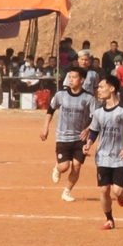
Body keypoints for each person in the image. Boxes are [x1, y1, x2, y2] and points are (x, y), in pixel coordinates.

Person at [83, 78, 123, 230]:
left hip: (119, 158)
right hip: (102, 157)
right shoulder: (98, 112)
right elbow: (94, 131)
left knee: (118, 191)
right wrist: (89, 144)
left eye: (102, 87)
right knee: (104, 189)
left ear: (112, 89)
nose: (99, 90)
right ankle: (109, 219)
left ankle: (121, 196)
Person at [39, 66, 94, 202]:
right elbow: (50, 110)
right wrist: (45, 127)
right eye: (69, 77)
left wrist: (88, 129)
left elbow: (95, 117)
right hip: (63, 136)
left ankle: (66, 192)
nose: (71, 80)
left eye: (74, 77)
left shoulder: (89, 98)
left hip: (80, 138)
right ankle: (57, 168)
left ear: (82, 80)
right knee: (64, 167)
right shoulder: (60, 95)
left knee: (76, 166)